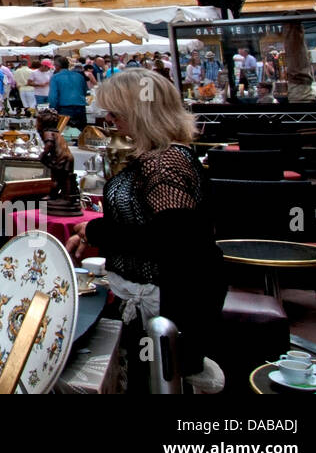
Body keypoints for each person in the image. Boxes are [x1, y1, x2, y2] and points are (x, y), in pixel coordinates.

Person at [65, 71, 224, 392]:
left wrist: (97, 231)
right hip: (158, 302)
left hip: (166, 305)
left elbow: (173, 238)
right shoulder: (162, 155)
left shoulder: (164, 161)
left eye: (116, 113)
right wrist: (94, 229)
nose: (110, 120)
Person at [49, 56, 89, 129]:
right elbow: (85, 91)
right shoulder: (79, 76)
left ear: (57, 66)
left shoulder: (55, 77)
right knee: (82, 132)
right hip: (80, 107)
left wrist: (53, 109)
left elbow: (53, 97)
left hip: (65, 108)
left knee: (65, 132)